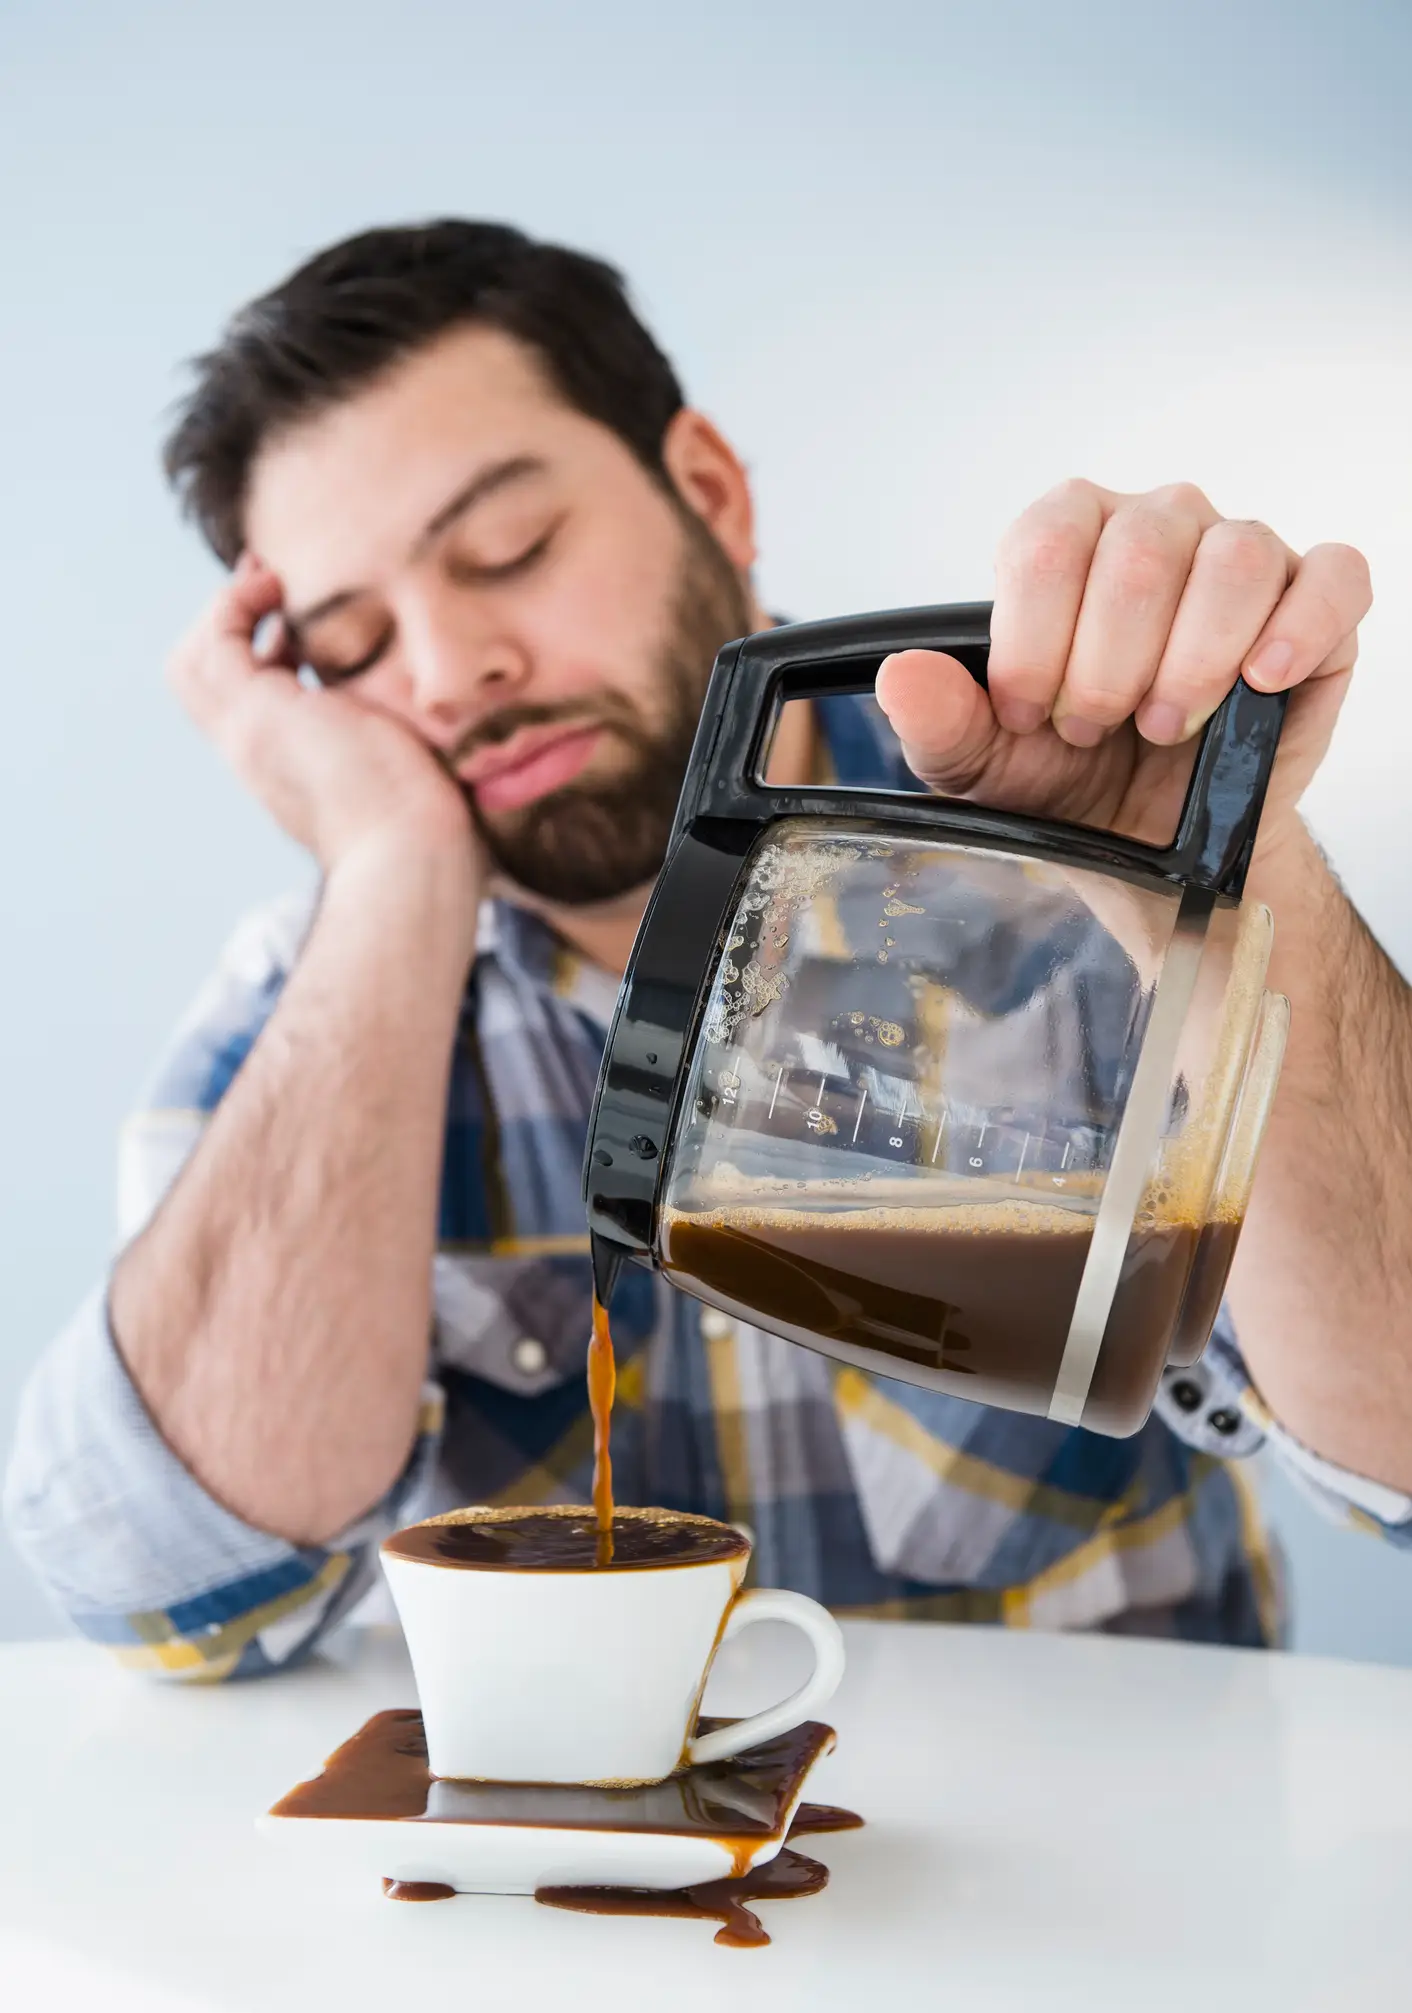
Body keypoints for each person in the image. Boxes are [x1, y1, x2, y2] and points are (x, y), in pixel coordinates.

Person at [7, 222, 1410, 1679]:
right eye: (353, 645)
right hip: (562, 1903)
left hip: (1097, 1890)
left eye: (510, 550)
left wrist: (1223, 886)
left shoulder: (1080, 875)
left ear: (710, 489)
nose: (444, 674)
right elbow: (174, 1595)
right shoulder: (321, 991)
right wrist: (391, 872)